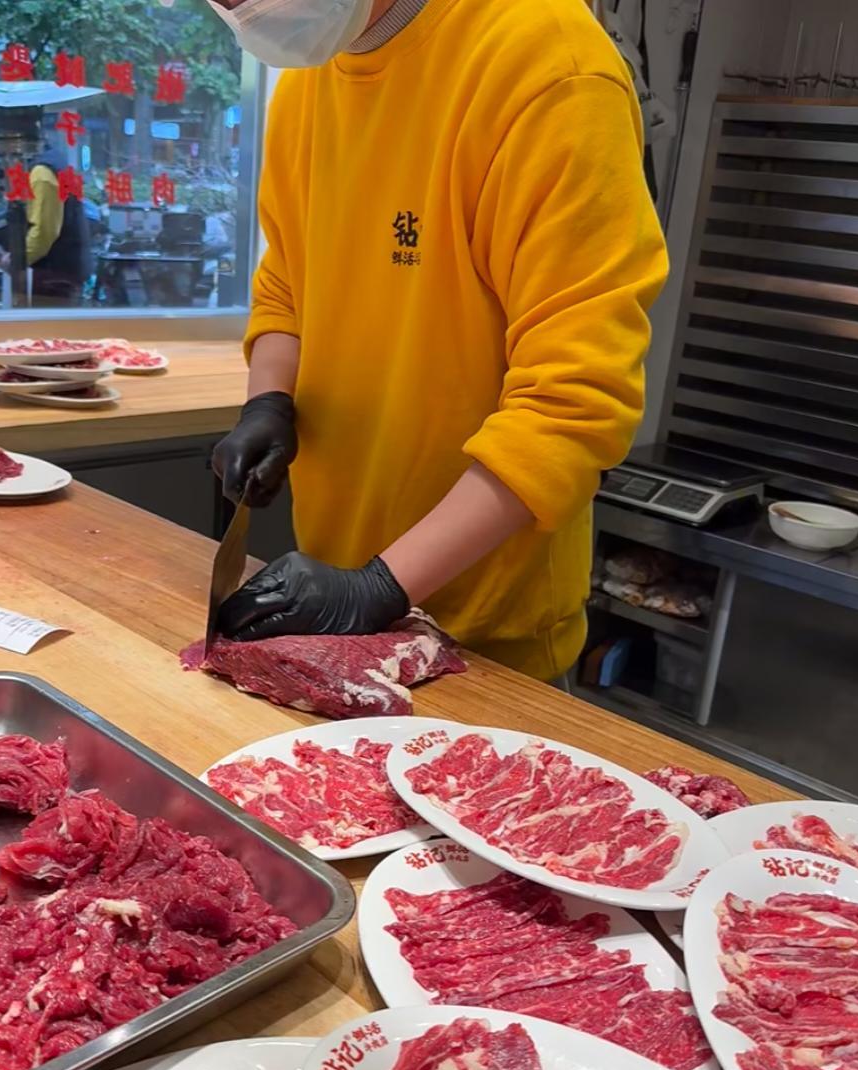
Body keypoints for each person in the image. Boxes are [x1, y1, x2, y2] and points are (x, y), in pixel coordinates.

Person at [208, 0, 668, 682]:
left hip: (485, 644)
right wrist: (269, 399)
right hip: (334, 619)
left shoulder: (547, 67)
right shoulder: (308, 80)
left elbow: (574, 401)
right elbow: (286, 281)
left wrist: (380, 586)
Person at [26, 146, 91, 306]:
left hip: (53, 274)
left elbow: (43, 233)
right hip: (68, 267)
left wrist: (18, 260)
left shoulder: (42, 174)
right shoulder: (54, 162)